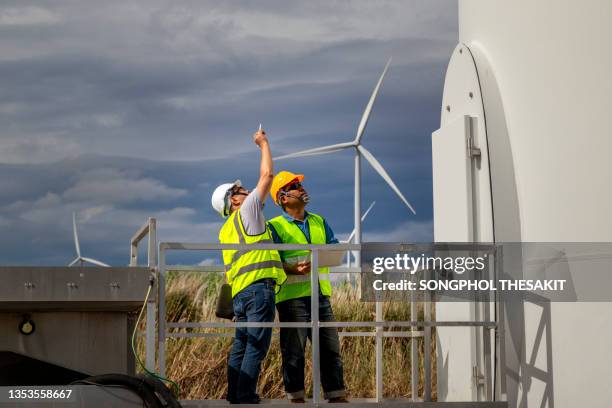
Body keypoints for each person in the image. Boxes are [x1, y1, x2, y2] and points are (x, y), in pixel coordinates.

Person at [211, 128, 286, 404]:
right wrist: (263, 143)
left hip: (241, 295)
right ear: (234, 199)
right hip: (258, 292)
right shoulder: (247, 212)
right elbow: (267, 176)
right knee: (257, 344)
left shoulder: (226, 230)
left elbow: (230, 269)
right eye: (241, 189)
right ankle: (245, 395)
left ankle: (235, 394)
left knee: (241, 345)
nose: (247, 191)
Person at [267, 171, 348, 403]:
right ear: (283, 198)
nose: (302, 188)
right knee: (294, 351)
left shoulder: (319, 220)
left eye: (300, 184)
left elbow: (334, 248)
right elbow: (272, 260)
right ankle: (296, 397)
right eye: (294, 186)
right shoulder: (274, 226)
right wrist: (293, 269)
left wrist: (328, 255)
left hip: (321, 295)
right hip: (292, 297)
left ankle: (336, 394)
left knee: (330, 348)